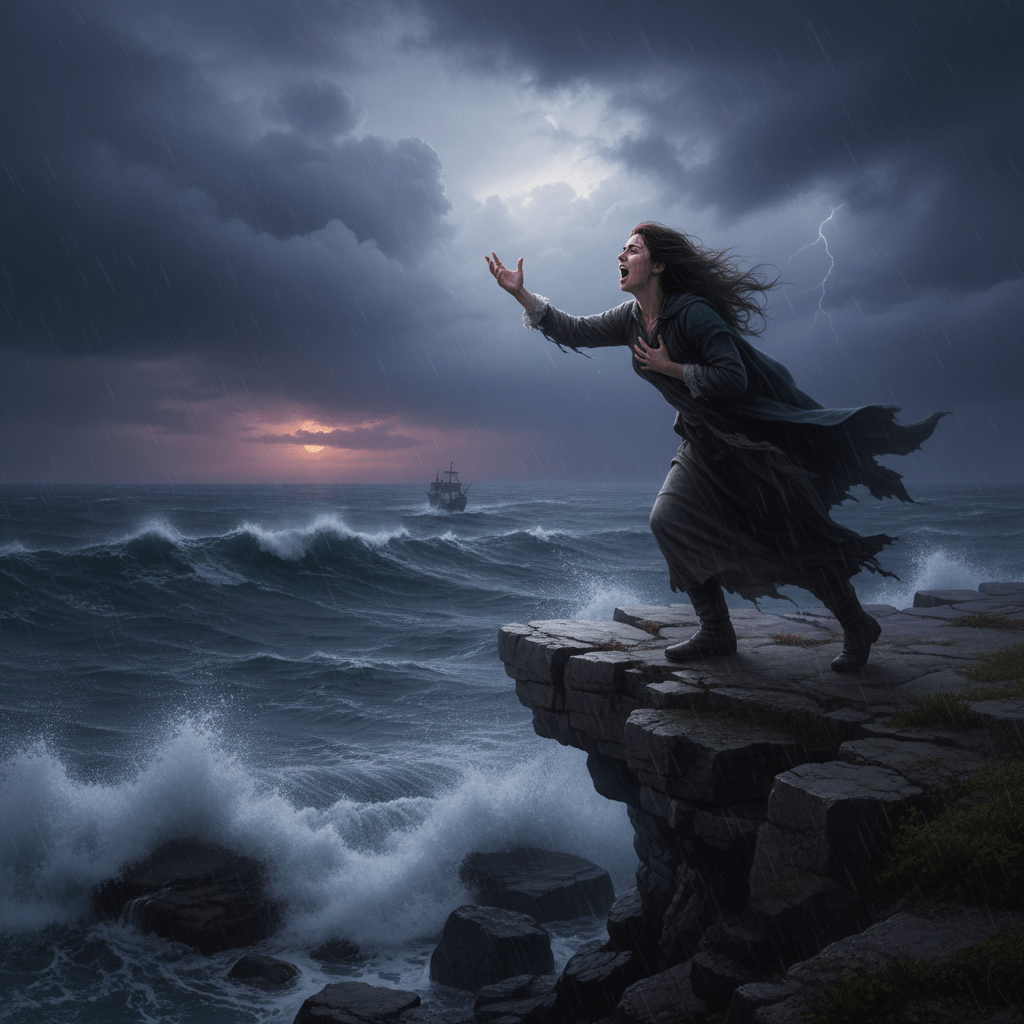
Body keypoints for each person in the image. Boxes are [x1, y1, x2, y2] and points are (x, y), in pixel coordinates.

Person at [485, 223, 944, 672]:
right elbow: (575, 330)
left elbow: (733, 377)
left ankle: (856, 624)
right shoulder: (630, 319)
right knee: (668, 520)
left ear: (659, 265)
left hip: (750, 445)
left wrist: (673, 368)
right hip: (702, 443)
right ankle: (716, 630)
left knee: (791, 539)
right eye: (621, 250)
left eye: (631, 250)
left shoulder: (694, 313)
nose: (621, 256)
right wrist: (521, 294)